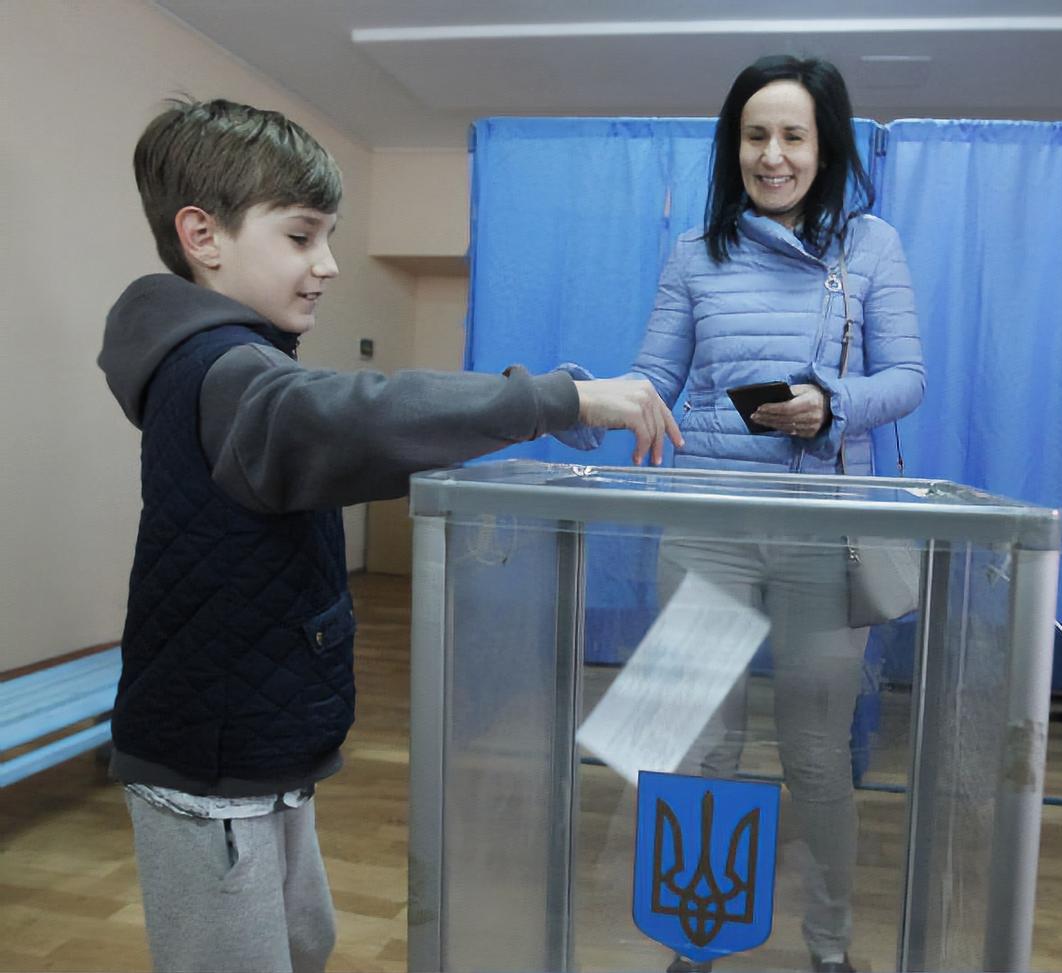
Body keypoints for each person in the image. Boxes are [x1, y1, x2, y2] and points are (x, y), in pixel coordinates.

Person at [98, 97, 680, 973]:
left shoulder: (233, 361)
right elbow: (359, 415)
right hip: (208, 765)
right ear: (203, 235)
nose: (327, 264)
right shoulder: (221, 371)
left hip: (258, 743)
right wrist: (557, 398)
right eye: (301, 236)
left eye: (328, 237)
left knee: (305, 940)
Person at [596, 56, 924, 971]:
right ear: (732, 145)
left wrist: (832, 404)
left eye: (792, 136)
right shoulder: (694, 252)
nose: (771, 155)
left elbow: (908, 378)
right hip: (711, 528)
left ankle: (829, 947)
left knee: (816, 755)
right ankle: (695, 940)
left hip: (825, 532)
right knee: (704, 745)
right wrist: (576, 398)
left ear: (826, 146)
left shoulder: (871, 247)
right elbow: (654, 378)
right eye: (754, 136)